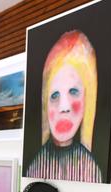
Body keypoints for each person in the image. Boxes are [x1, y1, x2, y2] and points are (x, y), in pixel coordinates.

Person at [25, 30, 103, 183]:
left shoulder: (90, 168)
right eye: (54, 95)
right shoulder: (34, 166)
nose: (64, 107)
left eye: (73, 92)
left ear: (88, 99)